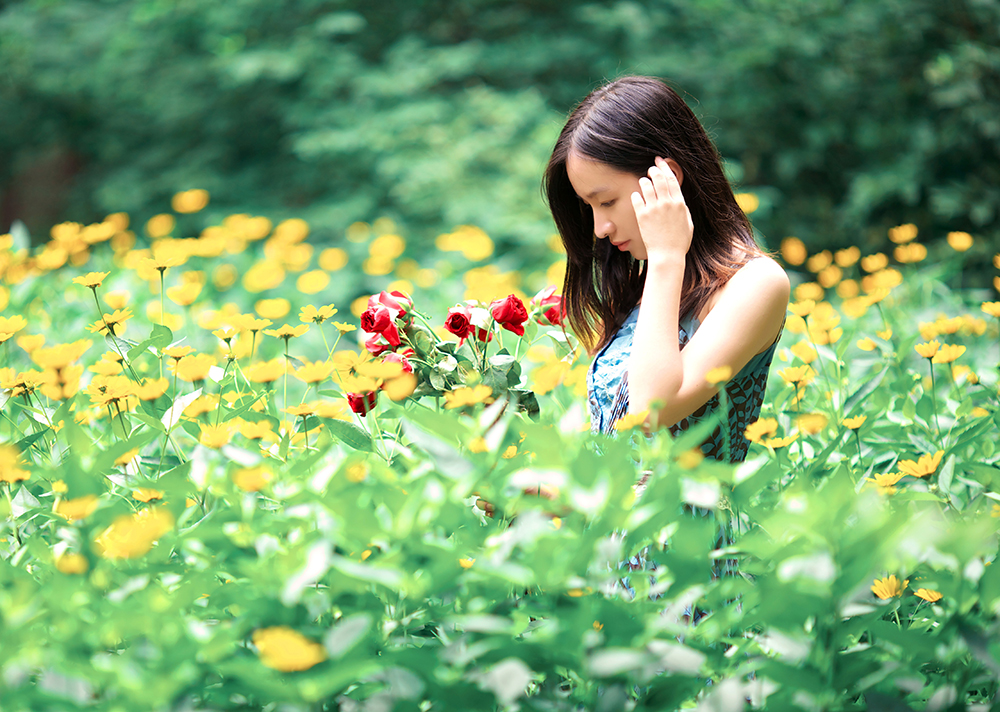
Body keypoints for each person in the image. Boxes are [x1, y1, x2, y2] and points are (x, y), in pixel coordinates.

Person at [543, 76, 789, 603]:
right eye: (589, 208)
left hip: (692, 580)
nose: (599, 228)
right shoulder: (642, 290)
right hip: (616, 583)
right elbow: (631, 468)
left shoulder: (754, 284)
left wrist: (669, 255)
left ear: (666, 180)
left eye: (605, 202)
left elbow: (652, 408)